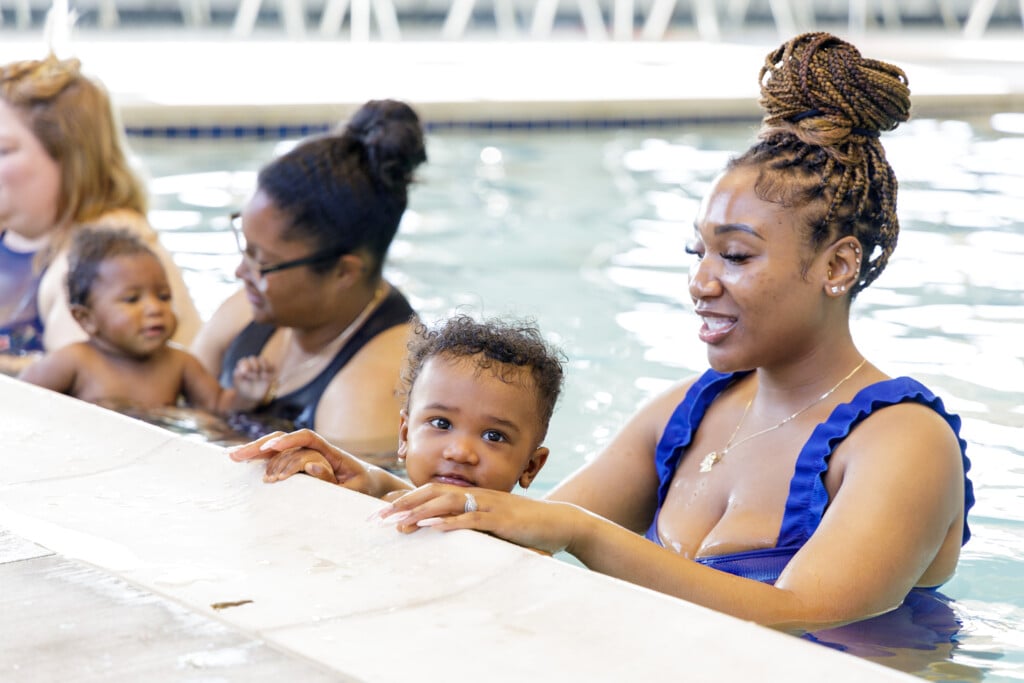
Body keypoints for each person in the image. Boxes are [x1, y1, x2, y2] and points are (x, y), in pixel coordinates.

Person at [367, 33, 975, 636]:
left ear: (836, 267)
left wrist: (584, 533)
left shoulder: (903, 442)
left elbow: (806, 613)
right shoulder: (686, 412)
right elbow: (519, 524)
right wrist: (362, 483)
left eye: (735, 255)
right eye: (698, 251)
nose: (701, 282)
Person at [190, 99, 426, 460]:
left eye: (263, 263)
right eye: (246, 247)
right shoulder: (251, 309)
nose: (242, 272)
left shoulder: (370, 390)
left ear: (344, 272)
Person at [0, 54, 200, 374]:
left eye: (3, 150)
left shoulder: (103, 255)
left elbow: (82, 392)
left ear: (67, 159)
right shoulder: (18, 232)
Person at [227, 314, 566, 501]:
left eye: (494, 435)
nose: (461, 452)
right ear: (404, 434)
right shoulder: (383, 503)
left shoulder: (524, 548)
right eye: (441, 423)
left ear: (531, 467)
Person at [19, 227, 271, 414]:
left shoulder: (179, 363)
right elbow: (18, 403)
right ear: (86, 319)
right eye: (131, 299)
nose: (154, 308)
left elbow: (217, 406)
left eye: (163, 296)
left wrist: (245, 396)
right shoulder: (73, 362)